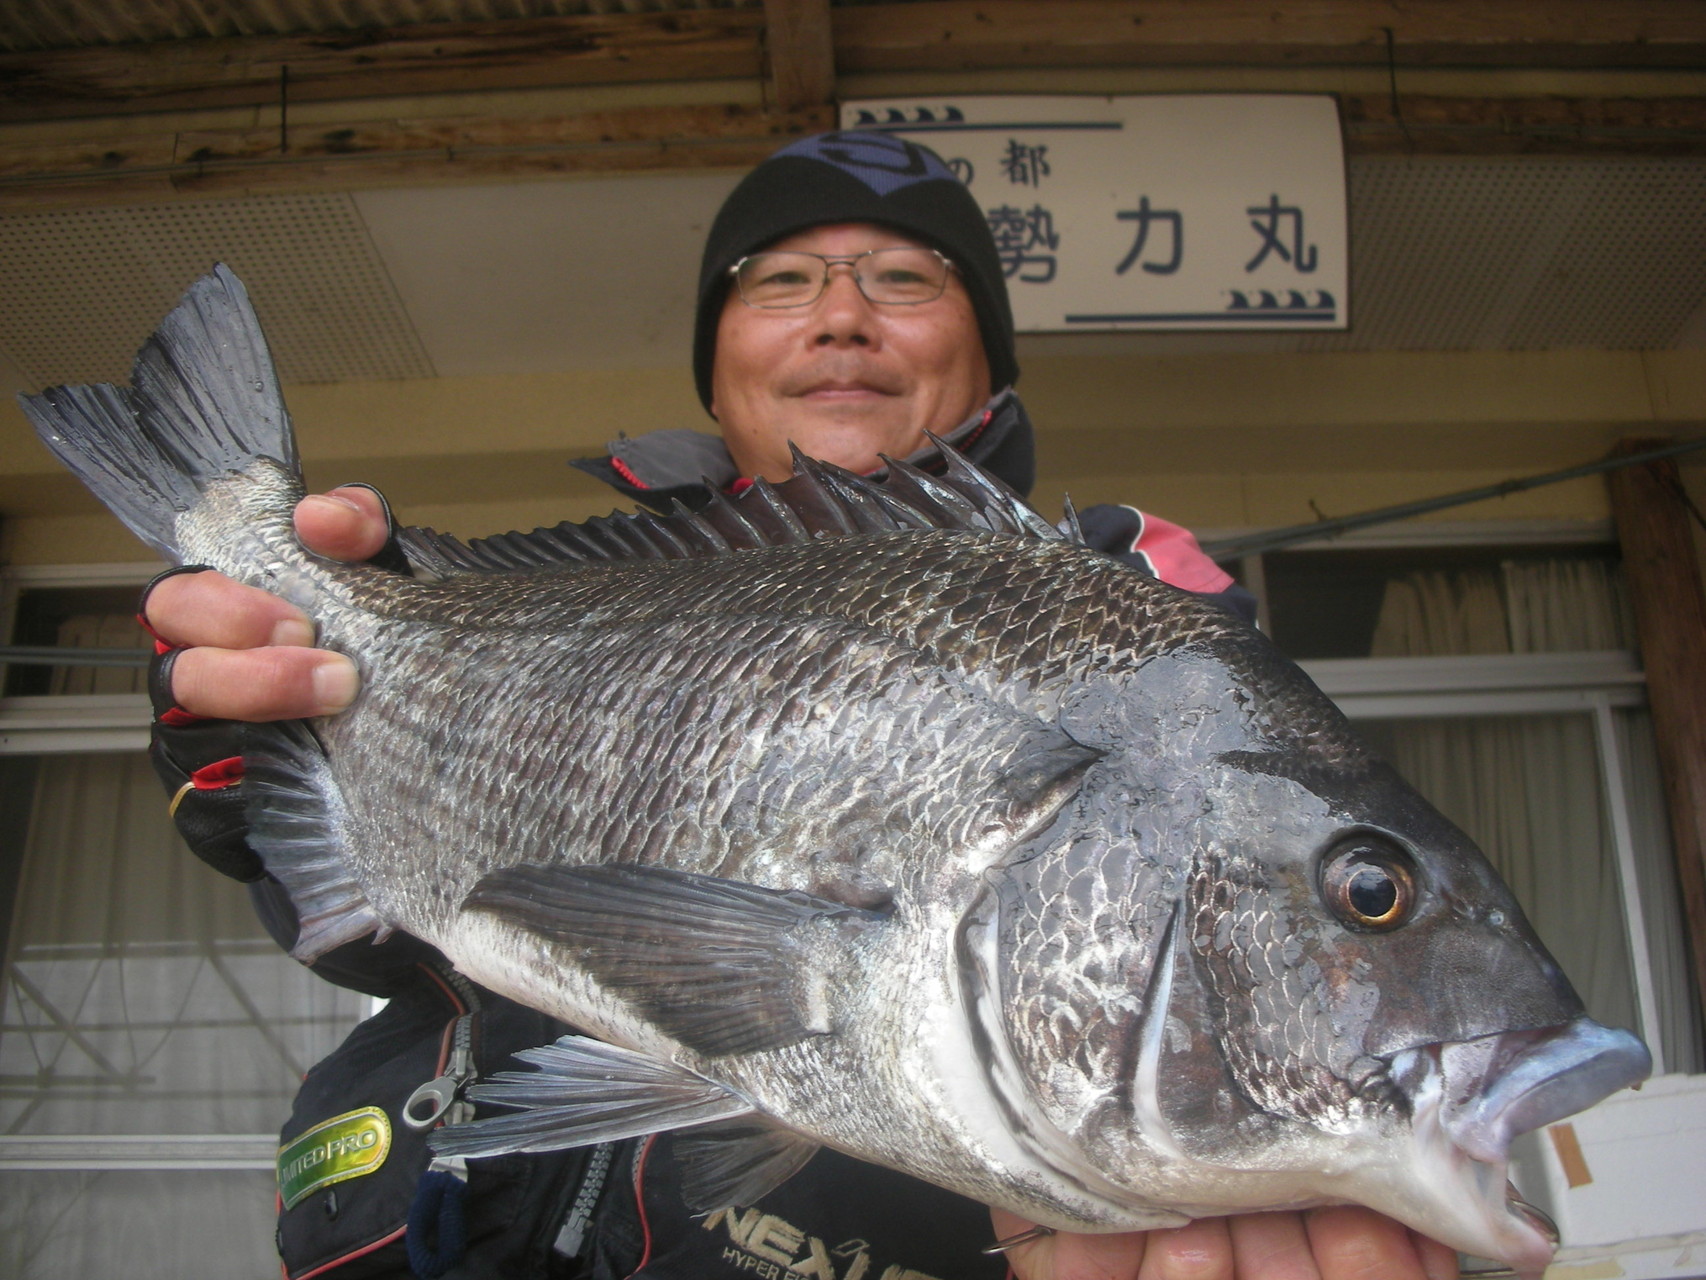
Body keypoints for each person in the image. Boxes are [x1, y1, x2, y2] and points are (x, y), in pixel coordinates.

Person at [142, 132, 1458, 1280]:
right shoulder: (571, 601)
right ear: (718, 374)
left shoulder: (1139, 619)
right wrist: (262, 729)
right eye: (783, 282)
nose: (841, 317)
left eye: (903, 278)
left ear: (988, 368)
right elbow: (371, 933)